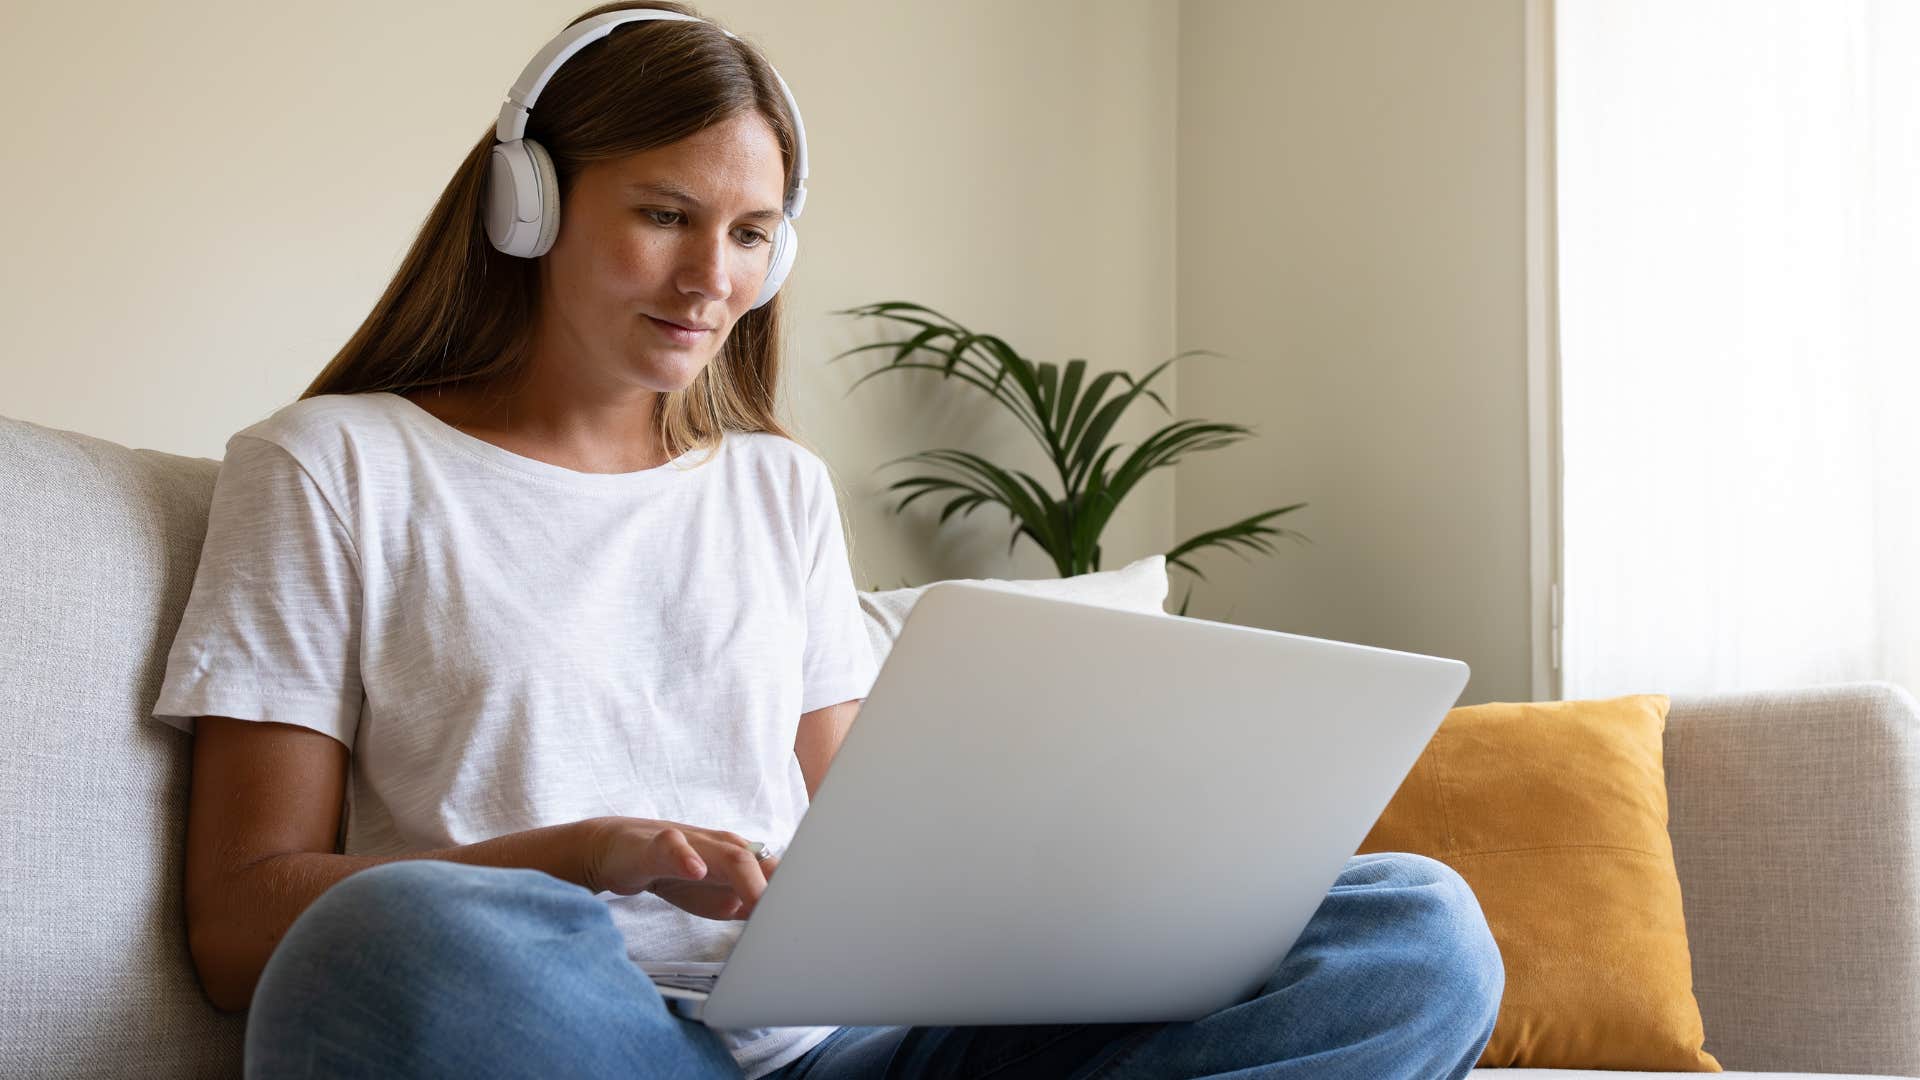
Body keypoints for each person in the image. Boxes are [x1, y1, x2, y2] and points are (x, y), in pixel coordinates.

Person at [150, 3, 1505, 1077]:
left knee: (1414, 927)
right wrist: (582, 853)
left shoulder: (774, 490)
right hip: (574, 1031)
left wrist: (1083, 866)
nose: (712, 280)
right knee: (391, 941)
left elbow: (862, 836)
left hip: (843, 1046)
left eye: (750, 234)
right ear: (531, 204)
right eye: (666, 214)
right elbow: (243, 921)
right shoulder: (331, 467)